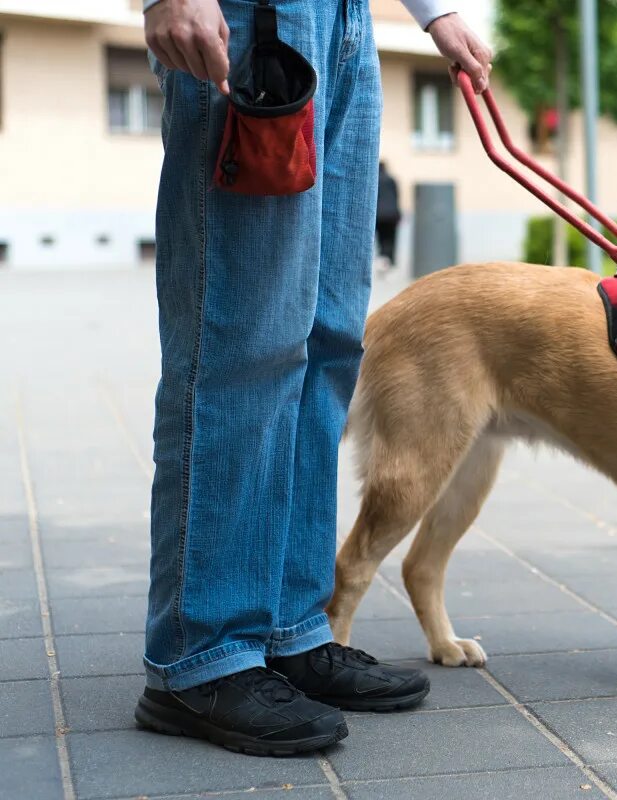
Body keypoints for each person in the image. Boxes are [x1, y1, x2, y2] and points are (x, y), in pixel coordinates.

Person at [136, 0, 492, 755]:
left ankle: (291, 625)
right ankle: (202, 654)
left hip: (346, 26)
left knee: (327, 341)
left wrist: (436, 13)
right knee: (240, 341)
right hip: (251, 19)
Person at [376, 161, 401, 269]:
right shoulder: (391, 179)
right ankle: (389, 260)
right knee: (390, 238)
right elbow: (396, 196)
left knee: (381, 238)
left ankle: (382, 258)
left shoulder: (375, 180)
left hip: (379, 215)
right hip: (391, 215)